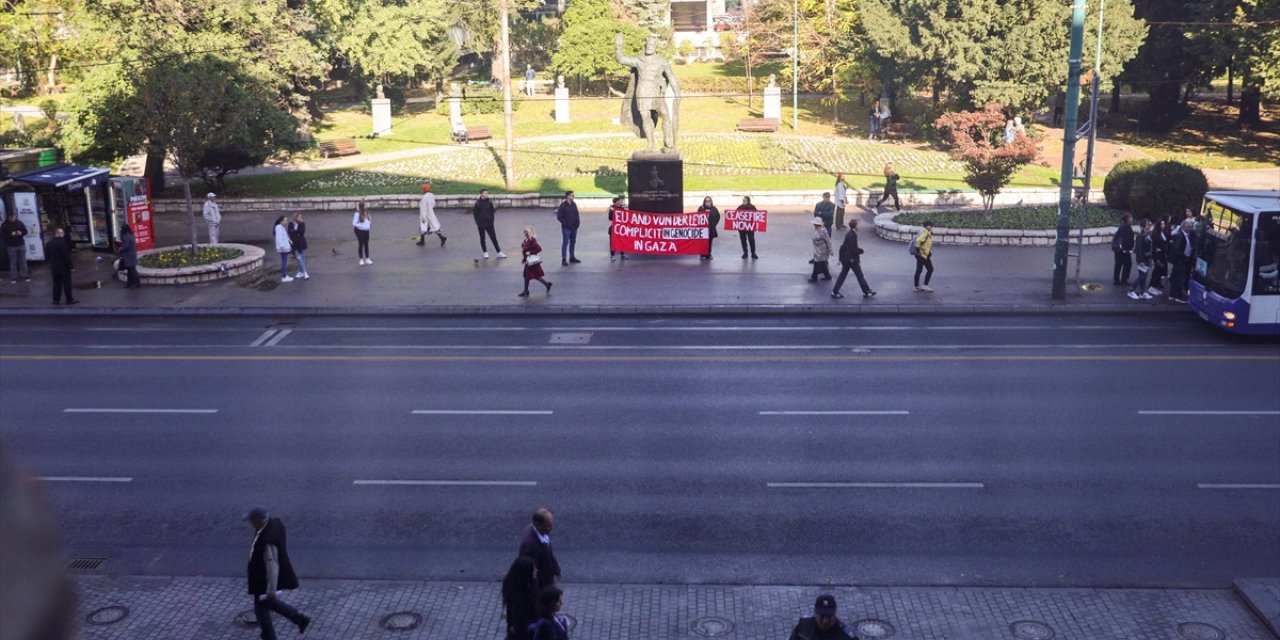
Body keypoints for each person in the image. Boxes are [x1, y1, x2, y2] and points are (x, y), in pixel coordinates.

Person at [244, 507, 311, 640]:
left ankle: (270, 636)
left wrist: (271, 589)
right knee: (270, 603)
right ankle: (299, 619)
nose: (251, 524)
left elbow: (272, 565)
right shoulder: (274, 523)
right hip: (262, 579)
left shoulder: (268, 540)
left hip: (263, 581)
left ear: (259, 521)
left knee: (261, 610)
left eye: (252, 521)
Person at [615, 32, 681, 154]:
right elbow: (621, 59)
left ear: (656, 46)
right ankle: (650, 143)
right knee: (646, 116)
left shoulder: (662, 61)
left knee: (665, 115)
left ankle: (668, 142)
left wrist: (677, 92)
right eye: (648, 44)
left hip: (656, 92)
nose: (649, 46)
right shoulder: (639, 60)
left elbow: (671, 77)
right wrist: (618, 47)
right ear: (645, 45)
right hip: (642, 91)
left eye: (652, 44)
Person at [518, 508, 561, 590]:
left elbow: (548, 551)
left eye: (551, 524)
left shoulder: (543, 532)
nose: (551, 528)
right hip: (542, 587)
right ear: (538, 524)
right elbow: (530, 574)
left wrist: (555, 568)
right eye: (548, 526)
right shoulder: (529, 545)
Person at [832, 219, 875, 299]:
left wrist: (841, 258)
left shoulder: (848, 234)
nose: (859, 226)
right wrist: (861, 251)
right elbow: (853, 249)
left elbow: (845, 247)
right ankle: (867, 291)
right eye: (858, 224)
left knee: (843, 275)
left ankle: (835, 291)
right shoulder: (853, 235)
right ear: (855, 226)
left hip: (846, 259)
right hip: (852, 260)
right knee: (860, 275)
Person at [787, 594, 858, 640]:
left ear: (835, 612)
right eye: (822, 616)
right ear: (815, 612)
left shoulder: (847, 637)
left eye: (829, 616)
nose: (825, 621)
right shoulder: (803, 626)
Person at [502, 556, 539, 640]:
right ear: (526, 572)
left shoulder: (523, 585)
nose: (536, 570)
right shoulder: (518, 597)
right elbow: (521, 625)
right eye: (533, 569)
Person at [44, 228, 77, 305]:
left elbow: (48, 255)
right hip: (64, 267)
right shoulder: (62, 243)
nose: (63, 235)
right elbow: (66, 256)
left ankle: (56, 300)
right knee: (67, 284)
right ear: (58, 234)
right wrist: (71, 266)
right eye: (62, 233)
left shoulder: (49, 243)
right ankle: (69, 299)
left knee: (56, 284)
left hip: (54, 267)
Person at [519, 226, 553, 297]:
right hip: (528, 261)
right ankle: (526, 290)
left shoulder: (532, 240)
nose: (524, 233)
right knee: (527, 275)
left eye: (525, 232)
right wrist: (524, 258)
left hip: (532, 262)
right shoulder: (527, 240)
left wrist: (530, 253)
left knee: (533, 275)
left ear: (528, 233)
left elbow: (539, 248)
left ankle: (546, 284)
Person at [473, 189, 506, 260]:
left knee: (493, 237)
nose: (486, 195)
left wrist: (491, 221)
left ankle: (499, 252)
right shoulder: (478, 203)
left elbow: (492, 211)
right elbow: (475, 214)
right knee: (482, 238)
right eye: (485, 193)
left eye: (487, 193)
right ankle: (485, 252)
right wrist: (478, 222)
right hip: (481, 223)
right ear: (481, 194)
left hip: (489, 223)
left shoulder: (489, 202)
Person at [1168, 218, 1194, 303]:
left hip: (1183, 261)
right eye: (1189, 227)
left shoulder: (1187, 236)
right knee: (1178, 278)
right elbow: (1176, 250)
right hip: (1180, 261)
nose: (1190, 229)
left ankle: (1173, 294)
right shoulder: (1179, 236)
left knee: (1178, 277)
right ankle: (1176, 295)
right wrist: (1184, 257)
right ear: (1184, 228)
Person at [1128, 218, 1155, 300]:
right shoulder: (1141, 236)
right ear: (1144, 226)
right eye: (1148, 224)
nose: (1150, 226)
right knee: (1142, 276)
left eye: (1150, 224)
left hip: (1147, 258)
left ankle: (1142, 292)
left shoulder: (1148, 235)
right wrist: (1140, 261)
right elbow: (1139, 249)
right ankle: (1132, 290)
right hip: (1142, 259)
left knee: (1145, 276)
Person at [2, 211, 29, 283]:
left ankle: (25, 275)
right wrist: (11, 234)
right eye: (11, 217)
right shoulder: (4, 225)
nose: (13, 218)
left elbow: (25, 231)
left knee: (23, 261)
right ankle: (14, 277)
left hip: (21, 244)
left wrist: (21, 233)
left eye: (14, 217)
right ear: (8, 217)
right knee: (13, 262)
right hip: (11, 246)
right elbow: (3, 235)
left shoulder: (19, 222)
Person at [556, 191, 580, 266]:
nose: (573, 196)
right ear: (568, 196)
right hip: (566, 228)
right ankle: (564, 258)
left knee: (573, 242)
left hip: (574, 227)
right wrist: (565, 223)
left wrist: (577, 223)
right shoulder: (563, 205)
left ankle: (572, 257)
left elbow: (576, 214)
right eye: (572, 195)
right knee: (565, 242)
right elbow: (559, 216)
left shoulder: (574, 204)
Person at [1111, 213, 1134, 285]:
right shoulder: (1127, 227)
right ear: (1127, 219)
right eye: (1131, 218)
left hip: (1117, 249)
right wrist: (1127, 249)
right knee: (1128, 264)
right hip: (1123, 250)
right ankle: (1124, 279)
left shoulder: (1122, 225)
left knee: (1118, 264)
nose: (1132, 219)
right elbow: (1126, 239)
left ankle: (1116, 279)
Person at [912, 220, 934, 292]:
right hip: (923, 255)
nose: (931, 226)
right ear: (926, 226)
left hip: (922, 254)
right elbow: (918, 241)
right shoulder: (925, 233)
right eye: (929, 225)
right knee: (930, 269)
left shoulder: (925, 232)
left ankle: (916, 286)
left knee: (919, 270)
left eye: (931, 225)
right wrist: (919, 251)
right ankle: (924, 286)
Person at [808, 217, 832, 282]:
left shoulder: (822, 231)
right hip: (819, 250)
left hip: (821, 250)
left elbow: (828, 240)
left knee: (817, 263)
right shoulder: (818, 230)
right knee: (823, 263)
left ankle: (814, 277)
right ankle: (827, 275)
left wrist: (830, 250)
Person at [273, 216, 294, 282]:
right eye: (285, 220)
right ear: (281, 221)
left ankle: (285, 275)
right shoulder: (279, 228)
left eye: (286, 220)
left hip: (284, 247)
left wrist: (290, 241)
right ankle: (284, 276)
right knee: (284, 262)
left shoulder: (282, 227)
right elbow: (279, 239)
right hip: (283, 248)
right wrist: (283, 246)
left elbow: (285, 235)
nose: (286, 222)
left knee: (284, 261)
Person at [288, 213, 310, 280]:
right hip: (294, 243)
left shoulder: (302, 223)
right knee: (299, 257)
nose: (300, 218)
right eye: (299, 217)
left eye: (301, 217)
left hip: (301, 242)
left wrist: (295, 231)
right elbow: (289, 232)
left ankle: (301, 271)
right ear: (295, 218)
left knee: (302, 257)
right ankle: (304, 272)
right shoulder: (291, 224)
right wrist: (296, 232)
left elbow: (302, 232)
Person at [118, 224, 140, 289]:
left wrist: (120, 249)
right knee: (130, 270)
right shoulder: (130, 235)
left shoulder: (125, 236)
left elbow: (127, 246)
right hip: (131, 255)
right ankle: (131, 284)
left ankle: (135, 283)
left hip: (128, 256)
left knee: (132, 271)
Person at [607, 196, 626, 262]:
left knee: (622, 241)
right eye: (618, 203)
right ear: (614, 203)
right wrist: (612, 212)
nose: (619, 204)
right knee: (613, 242)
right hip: (614, 228)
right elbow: (610, 218)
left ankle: (622, 254)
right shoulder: (612, 209)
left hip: (621, 228)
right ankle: (612, 255)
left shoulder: (622, 208)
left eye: (620, 203)